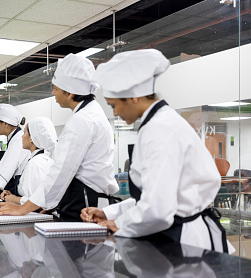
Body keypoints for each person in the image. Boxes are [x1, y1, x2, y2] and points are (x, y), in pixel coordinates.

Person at [81, 49, 233, 253]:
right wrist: (109, 213)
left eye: (114, 105)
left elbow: (158, 210)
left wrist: (118, 223)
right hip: (173, 233)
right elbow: (153, 197)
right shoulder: (158, 124)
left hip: (185, 243)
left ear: (134, 97)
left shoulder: (160, 129)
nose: (115, 113)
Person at [0, 54, 119, 220]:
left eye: (55, 88)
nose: (53, 93)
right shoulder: (90, 114)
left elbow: (62, 171)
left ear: (69, 93)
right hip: (85, 200)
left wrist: (23, 209)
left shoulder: (82, 120)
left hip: (86, 203)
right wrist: (45, 203)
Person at [0, 117, 57, 205]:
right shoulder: (39, 160)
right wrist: (12, 195)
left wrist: (14, 199)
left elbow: (38, 202)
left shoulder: (37, 163)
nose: (22, 136)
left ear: (32, 138)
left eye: (24, 132)